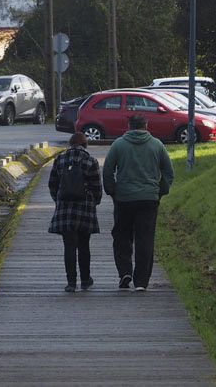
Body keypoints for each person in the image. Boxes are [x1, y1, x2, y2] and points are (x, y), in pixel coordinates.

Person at [102, 113, 174, 292]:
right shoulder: (157, 145)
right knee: (145, 239)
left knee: (121, 236)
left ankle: (124, 272)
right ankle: (141, 281)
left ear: (129, 126)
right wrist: (160, 190)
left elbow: (108, 170)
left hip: (124, 198)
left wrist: (112, 191)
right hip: (149, 199)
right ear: (146, 125)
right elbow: (168, 171)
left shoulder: (118, 144)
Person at [48, 132, 102, 292]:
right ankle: (86, 280)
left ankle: (71, 282)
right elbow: (97, 186)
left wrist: (58, 200)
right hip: (84, 209)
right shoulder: (90, 161)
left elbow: (52, 183)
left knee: (69, 246)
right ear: (85, 144)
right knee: (84, 245)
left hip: (65, 210)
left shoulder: (60, 159)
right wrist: (94, 202)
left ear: (70, 144)